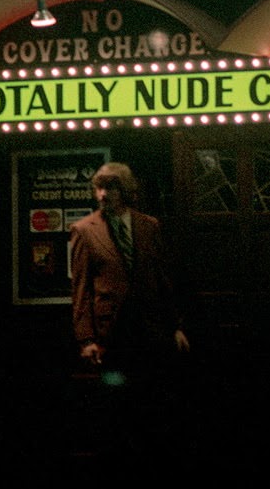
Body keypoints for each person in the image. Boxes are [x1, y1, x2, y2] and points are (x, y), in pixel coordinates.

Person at [69, 161, 190, 467]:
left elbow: (163, 280)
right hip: (112, 335)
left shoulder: (149, 226)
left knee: (152, 405)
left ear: (125, 191)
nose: (102, 195)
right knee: (115, 404)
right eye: (98, 188)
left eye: (109, 188)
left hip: (149, 332)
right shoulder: (84, 230)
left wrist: (175, 325)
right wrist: (86, 339)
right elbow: (81, 290)